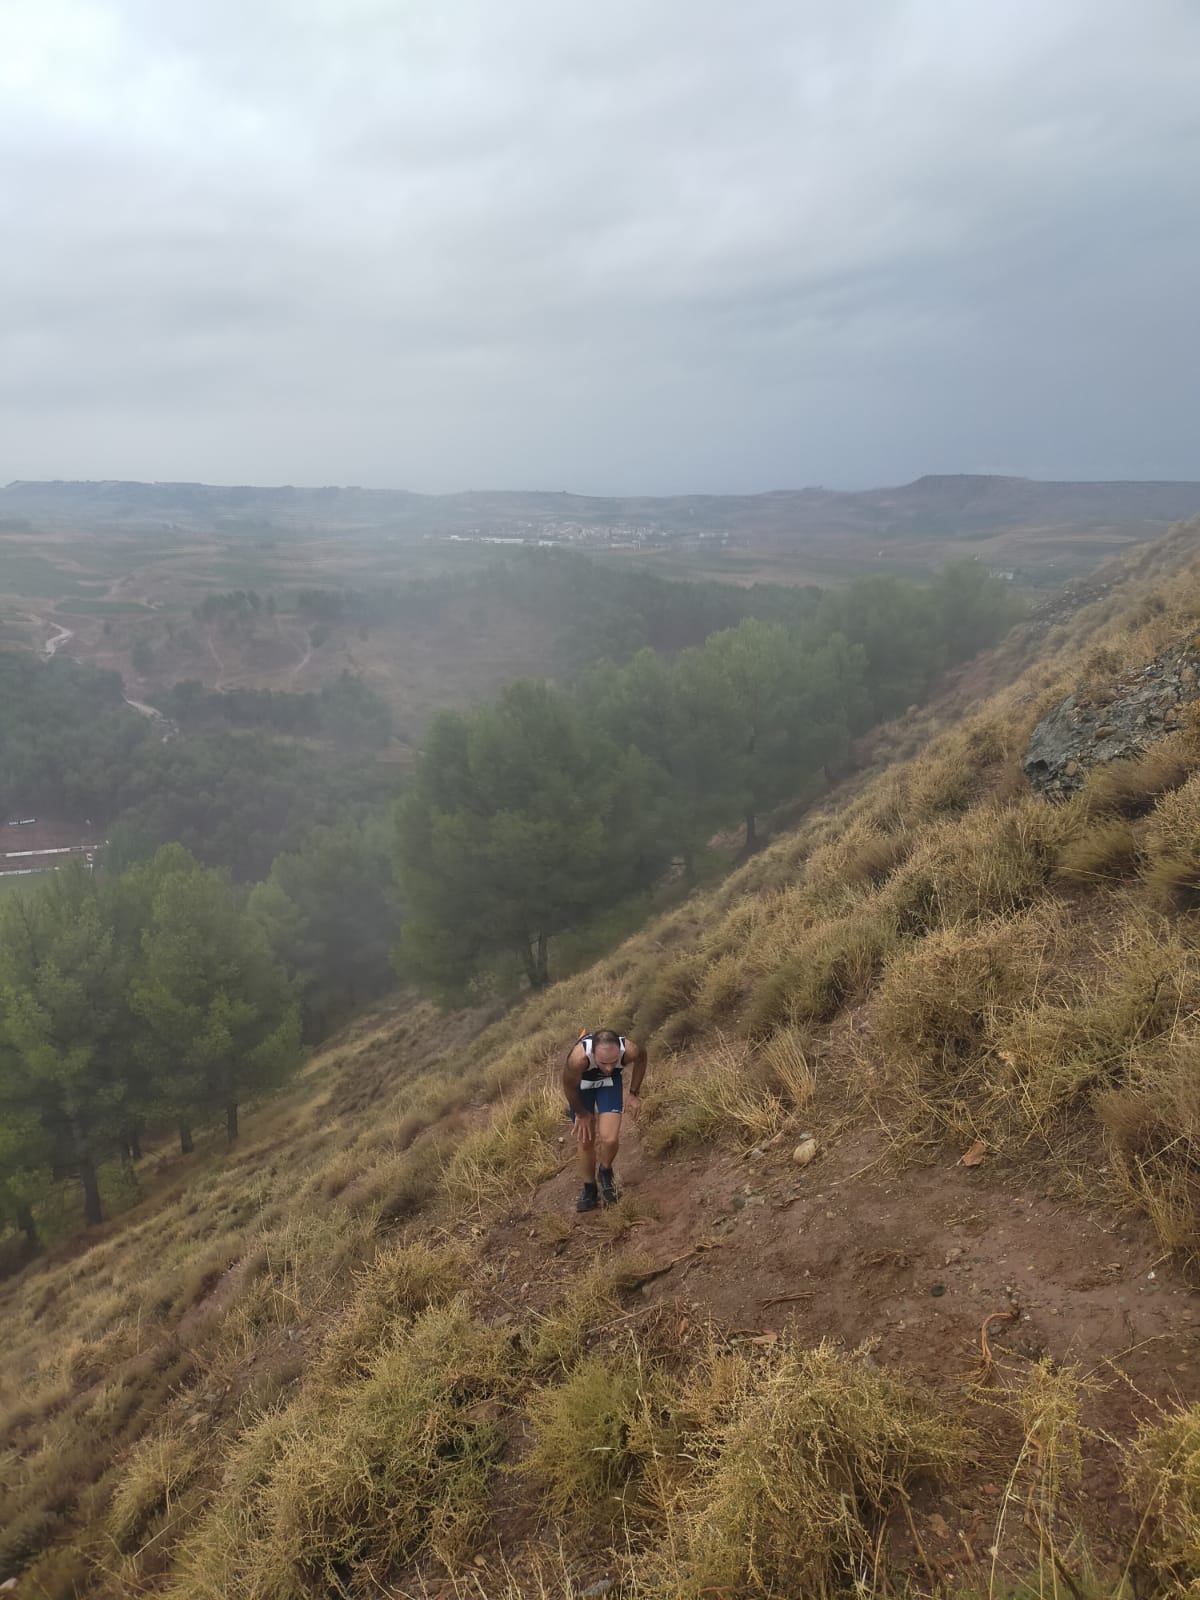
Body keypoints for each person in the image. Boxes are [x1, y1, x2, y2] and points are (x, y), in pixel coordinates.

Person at [562, 1028, 646, 1211]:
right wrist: (582, 1114)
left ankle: (605, 1171)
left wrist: (633, 1094)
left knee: (610, 1138)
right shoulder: (578, 1059)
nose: (609, 1068)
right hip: (582, 1088)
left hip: (609, 1085)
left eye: (613, 1062)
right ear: (592, 1053)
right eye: (603, 1063)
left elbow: (642, 1059)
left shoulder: (629, 1050)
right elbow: (568, 1086)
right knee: (586, 1140)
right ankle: (589, 1188)